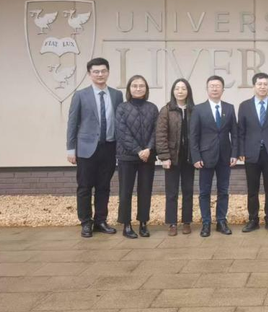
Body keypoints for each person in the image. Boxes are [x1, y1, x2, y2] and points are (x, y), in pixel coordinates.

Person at [66, 58, 123, 238]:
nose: (100, 74)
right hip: (86, 149)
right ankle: (85, 222)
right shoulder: (80, 95)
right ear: (90, 74)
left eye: (103, 71)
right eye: (96, 71)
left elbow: (119, 122)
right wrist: (70, 149)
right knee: (84, 187)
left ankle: (100, 220)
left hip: (109, 147)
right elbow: (72, 123)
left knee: (103, 186)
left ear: (108, 72)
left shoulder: (117, 95)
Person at [190, 75, 239, 237]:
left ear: (223, 89)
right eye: (212, 86)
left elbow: (235, 134)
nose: (215, 88)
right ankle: (206, 223)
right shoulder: (198, 109)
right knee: (204, 191)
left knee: (223, 190)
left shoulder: (229, 108)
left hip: (225, 156)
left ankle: (221, 221)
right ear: (207, 89)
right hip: (205, 157)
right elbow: (193, 136)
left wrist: (234, 154)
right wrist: (196, 157)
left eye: (218, 86)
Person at [115, 75, 158, 238]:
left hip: (147, 157)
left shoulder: (152, 108)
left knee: (145, 190)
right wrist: (138, 150)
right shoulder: (122, 108)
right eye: (134, 85)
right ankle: (126, 224)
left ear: (146, 89)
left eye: (141, 86)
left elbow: (156, 131)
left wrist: (148, 149)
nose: (138, 88)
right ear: (129, 89)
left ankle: (143, 223)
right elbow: (122, 132)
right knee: (125, 191)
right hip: (127, 156)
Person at [238, 72, 268, 233]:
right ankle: (253, 219)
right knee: (252, 189)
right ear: (254, 86)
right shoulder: (244, 106)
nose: (262, 87)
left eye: (265, 84)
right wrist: (241, 151)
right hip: (251, 153)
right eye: (259, 84)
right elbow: (241, 131)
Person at [156, 78, 195, 236]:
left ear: (188, 91)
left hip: (189, 157)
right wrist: (164, 157)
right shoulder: (166, 110)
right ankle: (172, 223)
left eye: (183, 88)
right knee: (171, 192)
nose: (180, 91)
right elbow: (160, 135)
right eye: (177, 88)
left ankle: (187, 222)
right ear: (173, 91)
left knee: (188, 191)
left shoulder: (194, 110)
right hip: (172, 157)